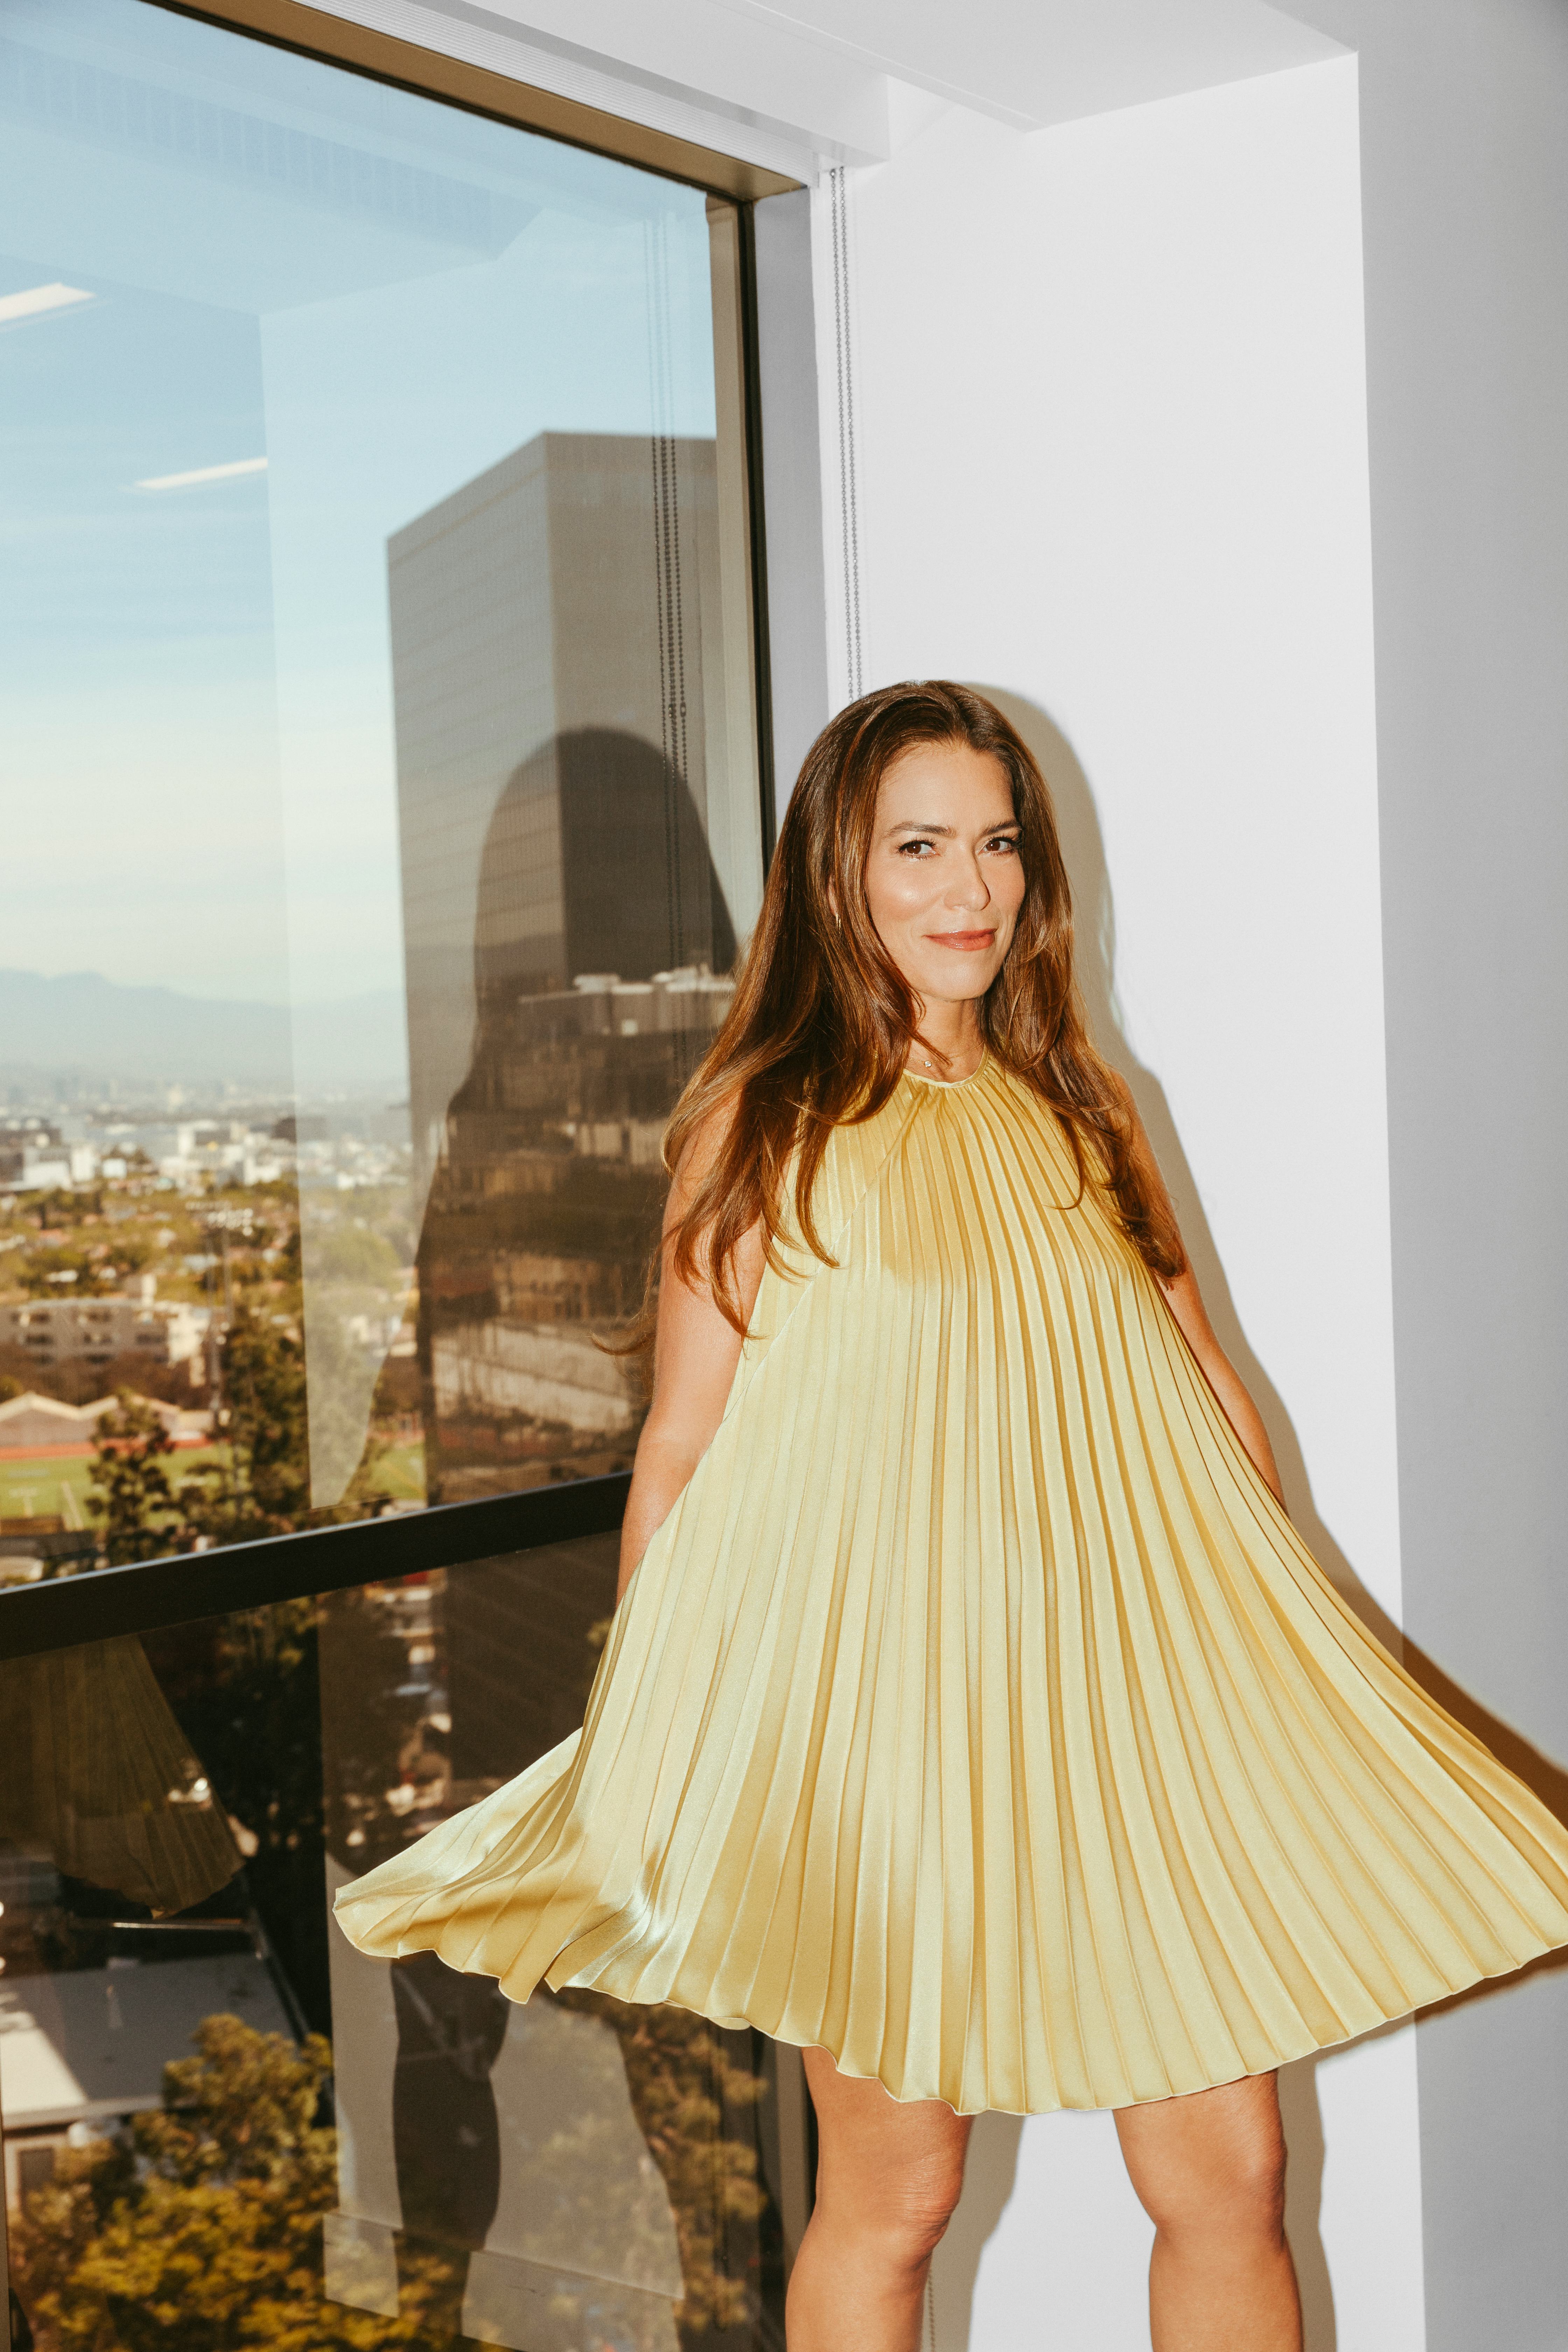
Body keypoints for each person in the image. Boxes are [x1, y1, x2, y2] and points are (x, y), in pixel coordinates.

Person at [338, 681, 1568, 2351]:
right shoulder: (757, 1127)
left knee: (1233, 2180)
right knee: (896, 2203)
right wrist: (651, 1728)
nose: (967, 889)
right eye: (917, 846)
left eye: (995, 843)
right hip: (881, 1741)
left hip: (1138, 1712)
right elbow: (685, 1446)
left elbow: (1211, 1394)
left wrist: (1266, 1671)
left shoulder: (1087, 1105)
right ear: (836, 872)